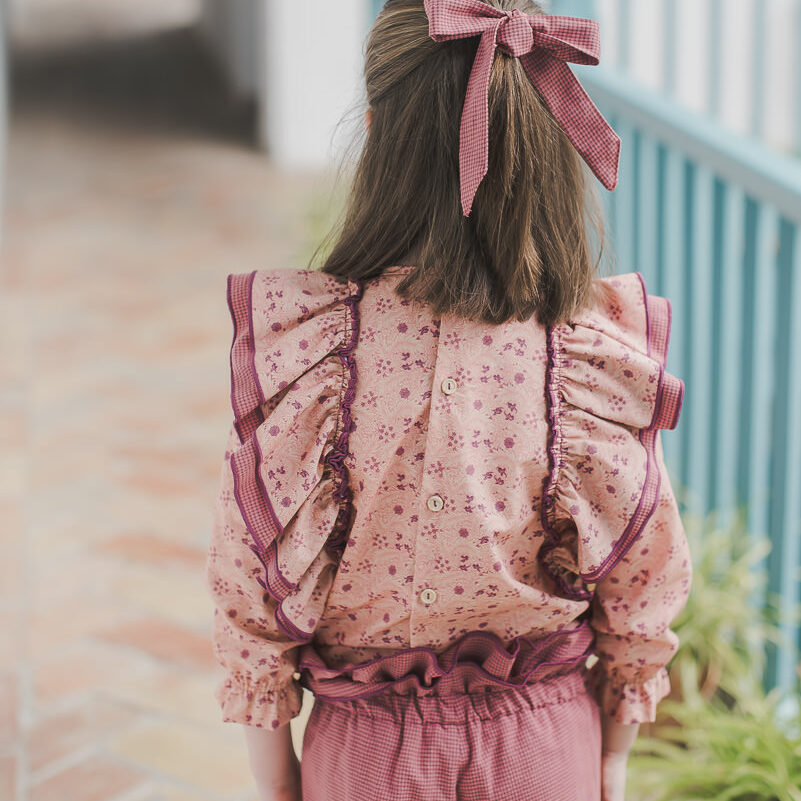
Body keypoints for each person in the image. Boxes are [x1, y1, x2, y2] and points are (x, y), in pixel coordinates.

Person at [203, 1, 693, 800]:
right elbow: (645, 572)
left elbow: (249, 582)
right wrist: (611, 756)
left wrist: (279, 778)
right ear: (544, 147)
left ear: (374, 134)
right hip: (545, 749)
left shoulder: (315, 354)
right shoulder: (583, 360)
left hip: (362, 755)